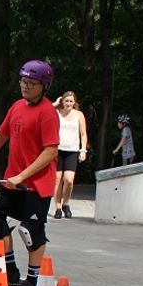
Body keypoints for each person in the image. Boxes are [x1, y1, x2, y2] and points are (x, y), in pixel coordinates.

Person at [0, 60, 60, 286]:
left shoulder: (48, 112)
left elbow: (51, 151)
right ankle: (9, 271)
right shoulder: (17, 107)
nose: (25, 86)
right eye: (23, 81)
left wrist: (23, 175)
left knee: (31, 231)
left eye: (32, 83)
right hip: (11, 181)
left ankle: (32, 281)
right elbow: (1, 135)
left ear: (44, 86)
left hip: (36, 185)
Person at [51, 90, 88, 219]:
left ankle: (66, 203)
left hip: (72, 150)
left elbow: (83, 134)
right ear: (62, 101)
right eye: (66, 101)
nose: (68, 103)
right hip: (58, 150)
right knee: (57, 180)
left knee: (69, 180)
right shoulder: (57, 112)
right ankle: (58, 207)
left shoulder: (79, 115)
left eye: (71, 101)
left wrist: (83, 150)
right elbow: (44, 111)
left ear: (74, 102)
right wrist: (55, 104)